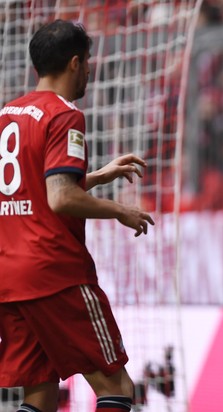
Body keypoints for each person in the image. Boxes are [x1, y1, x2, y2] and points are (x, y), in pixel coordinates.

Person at [0, 20, 155, 412]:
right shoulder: (65, 114)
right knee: (116, 386)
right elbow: (60, 198)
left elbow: (30, 187)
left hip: (11, 274)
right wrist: (120, 210)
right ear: (74, 63)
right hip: (56, 273)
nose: (89, 71)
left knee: (39, 395)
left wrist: (99, 176)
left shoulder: (7, 114)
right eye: (87, 62)